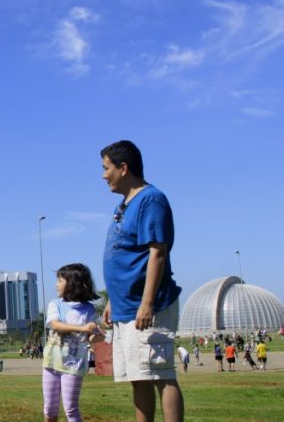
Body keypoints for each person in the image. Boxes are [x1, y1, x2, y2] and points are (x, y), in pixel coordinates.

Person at [100, 140, 184, 422]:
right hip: (124, 306)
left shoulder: (151, 199)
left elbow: (157, 252)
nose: (103, 175)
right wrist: (112, 298)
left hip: (146, 305)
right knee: (139, 376)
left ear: (123, 168)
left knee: (161, 374)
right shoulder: (123, 205)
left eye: (106, 168)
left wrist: (147, 303)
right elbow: (123, 254)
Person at [43, 263, 105, 422]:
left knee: (71, 409)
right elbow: (55, 325)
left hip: (73, 365)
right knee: (50, 409)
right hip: (51, 363)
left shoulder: (89, 309)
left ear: (73, 284)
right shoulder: (55, 304)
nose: (56, 284)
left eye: (60, 280)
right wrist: (82, 328)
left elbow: (90, 338)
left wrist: (99, 335)